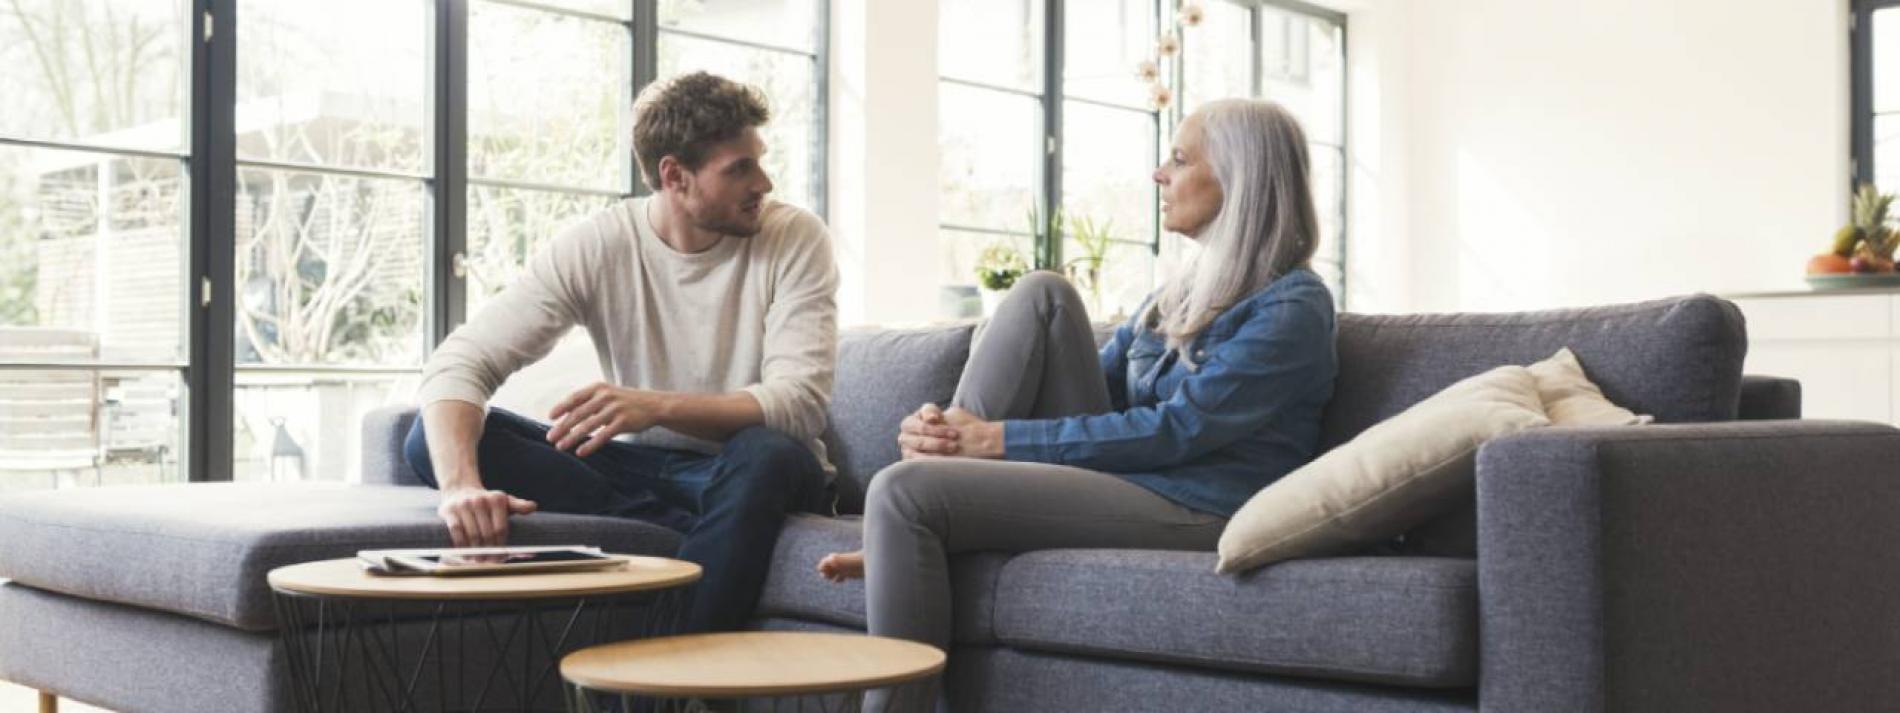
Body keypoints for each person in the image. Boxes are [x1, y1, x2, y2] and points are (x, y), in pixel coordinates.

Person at [817, 99, 1339, 662]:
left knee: (902, 490)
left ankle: (911, 521)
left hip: (1200, 502)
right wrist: (948, 431)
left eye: (1180, 160)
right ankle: (924, 491)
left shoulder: (1294, 306)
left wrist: (991, 439)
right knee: (1043, 292)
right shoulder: (1180, 294)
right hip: (1138, 476)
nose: (1159, 173)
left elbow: (1180, 430)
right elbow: (1107, 388)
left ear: (1241, 179)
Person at [404, 71, 839, 634]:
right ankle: (694, 532)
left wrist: (655, 407)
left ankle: (661, 681)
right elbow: (461, 362)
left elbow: (799, 404)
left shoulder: (796, 239)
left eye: (759, 160)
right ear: (675, 176)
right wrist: (462, 488)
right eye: (740, 168)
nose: (764, 181)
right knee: (425, 436)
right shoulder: (599, 244)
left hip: (760, 468)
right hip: (646, 476)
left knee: (766, 451)